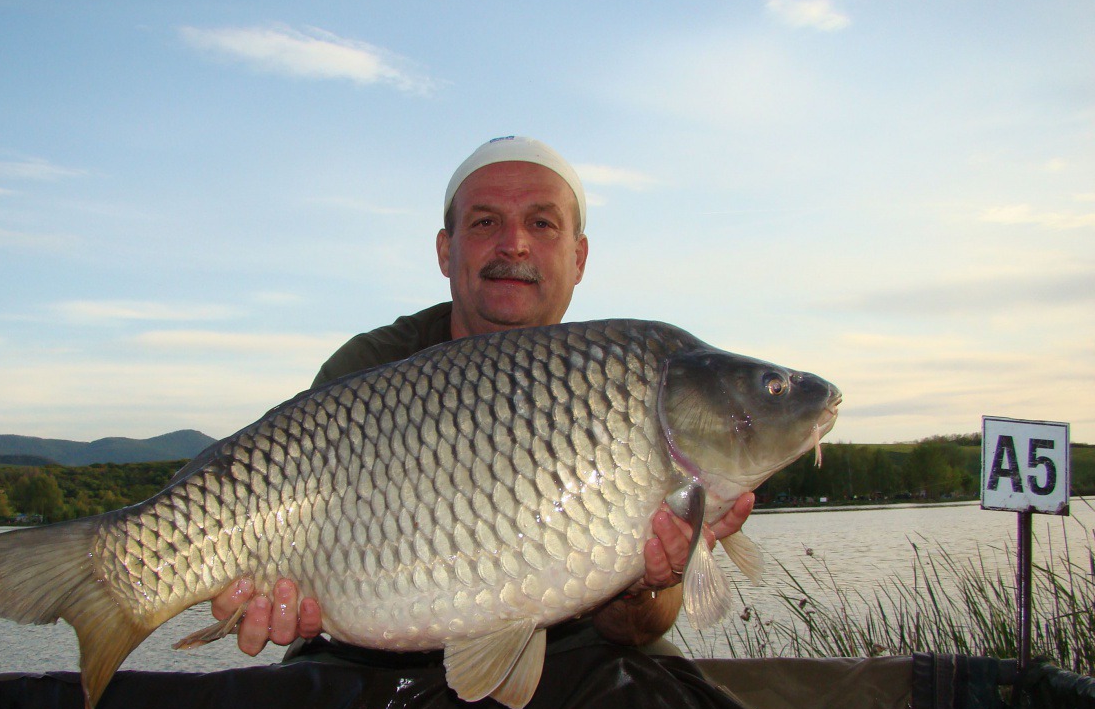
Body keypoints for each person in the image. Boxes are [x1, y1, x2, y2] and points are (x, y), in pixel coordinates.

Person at [209, 136, 755, 657]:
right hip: (368, 662)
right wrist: (271, 596)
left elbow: (637, 629)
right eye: (485, 222)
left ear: (579, 257)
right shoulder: (369, 371)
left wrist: (646, 581)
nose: (513, 243)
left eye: (541, 223)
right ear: (447, 251)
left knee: (653, 666)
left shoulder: (617, 388)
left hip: (566, 658)